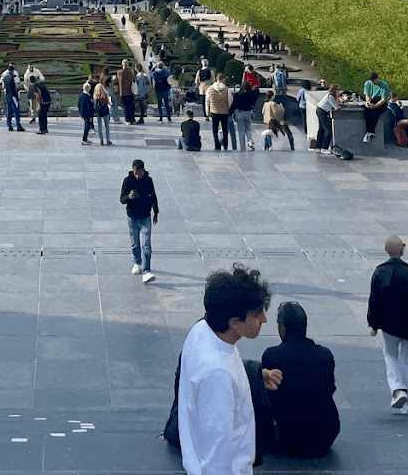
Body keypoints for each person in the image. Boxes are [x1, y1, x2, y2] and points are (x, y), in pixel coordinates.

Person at [177, 265, 278, 475]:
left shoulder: (201, 331)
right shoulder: (217, 376)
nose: (264, 319)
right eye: (257, 313)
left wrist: (252, 375)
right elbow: (216, 456)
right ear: (235, 322)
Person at [261, 301, 339, 458]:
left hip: (286, 437)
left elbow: (268, 396)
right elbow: (329, 388)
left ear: (282, 327)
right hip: (324, 436)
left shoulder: (272, 355)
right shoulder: (324, 355)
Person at [367, 233, 408, 415]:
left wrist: (373, 323)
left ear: (386, 250)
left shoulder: (380, 272)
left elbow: (374, 300)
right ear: (401, 249)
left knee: (390, 355)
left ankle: (398, 388)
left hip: (390, 323)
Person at [120, 159, 159, 283]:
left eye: (139, 173)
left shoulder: (148, 181)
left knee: (146, 244)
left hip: (145, 216)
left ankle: (147, 270)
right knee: (135, 241)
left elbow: (153, 196)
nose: (137, 176)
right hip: (132, 217)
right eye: (135, 173)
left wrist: (156, 212)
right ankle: (137, 262)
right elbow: (122, 199)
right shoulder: (128, 181)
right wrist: (128, 197)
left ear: (143, 170)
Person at [206, 75, 234, 151]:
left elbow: (207, 101)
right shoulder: (226, 89)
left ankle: (217, 145)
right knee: (225, 129)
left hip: (214, 111)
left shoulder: (210, 88)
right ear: (222, 79)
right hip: (224, 111)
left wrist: (207, 111)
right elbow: (230, 101)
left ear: (216, 78)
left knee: (215, 130)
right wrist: (229, 109)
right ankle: (225, 145)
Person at [362, 71, 389, 144]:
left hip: (381, 102)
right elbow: (367, 95)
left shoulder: (383, 85)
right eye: (373, 81)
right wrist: (368, 102)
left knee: (376, 113)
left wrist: (375, 106)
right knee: (367, 113)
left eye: (375, 80)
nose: (374, 82)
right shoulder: (368, 83)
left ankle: (371, 131)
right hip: (373, 100)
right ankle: (368, 131)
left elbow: (383, 99)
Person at [231, 81, 258, 152]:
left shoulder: (238, 94)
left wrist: (230, 113)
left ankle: (242, 147)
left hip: (239, 113)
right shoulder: (251, 94)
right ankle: (250, 141)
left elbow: (234, 104)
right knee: (248, 128)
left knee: (241, 130)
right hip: (248, 112)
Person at [314, 85, 343, 152]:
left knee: (321, 129)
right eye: (338, 90)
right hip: (322, 112)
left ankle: (318, 147)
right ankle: (324, 148)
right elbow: (336, 107)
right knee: (328, 131)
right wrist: (338, 98)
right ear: (335, 91)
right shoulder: (330, 97)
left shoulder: (328, 95)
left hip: (319, 109)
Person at [0, 61, 24, 131]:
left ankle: (9, 125)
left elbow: (3, 86)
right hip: (13, 95)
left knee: (9, 110)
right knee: (16, 110)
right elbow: (17, 86)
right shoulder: (14, 76)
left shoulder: (4, 76)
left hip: (7, 94)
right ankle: (18, 125)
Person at [93, 77, 113, 145]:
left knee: (99, 126)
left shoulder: (96, 96)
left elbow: (94, 106)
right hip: (105, 111)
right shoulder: (105, 94)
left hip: (99, 112)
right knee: (107, 126)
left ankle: (101, 140)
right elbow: (109, 103)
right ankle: (108, 140)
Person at [117, 59, 136, 125]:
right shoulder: (131, 71)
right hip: (130, 91)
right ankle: (132, 119)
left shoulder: (119, 72)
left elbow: (119, 81)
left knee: (125, 106)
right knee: (131, 106)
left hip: (123, 92)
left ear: (122, 64)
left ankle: (127, 120)